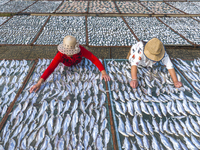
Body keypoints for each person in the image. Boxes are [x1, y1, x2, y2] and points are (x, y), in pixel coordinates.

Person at [30, 35, 110, 93]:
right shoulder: (60, 55)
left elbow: (93, 58)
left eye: (71, 52)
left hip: (78, 62)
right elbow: (50, 68)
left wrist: (103, 72)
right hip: (67, 64)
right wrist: (39, 83)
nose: (68, 53)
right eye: (67, 51)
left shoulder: (81, 49)